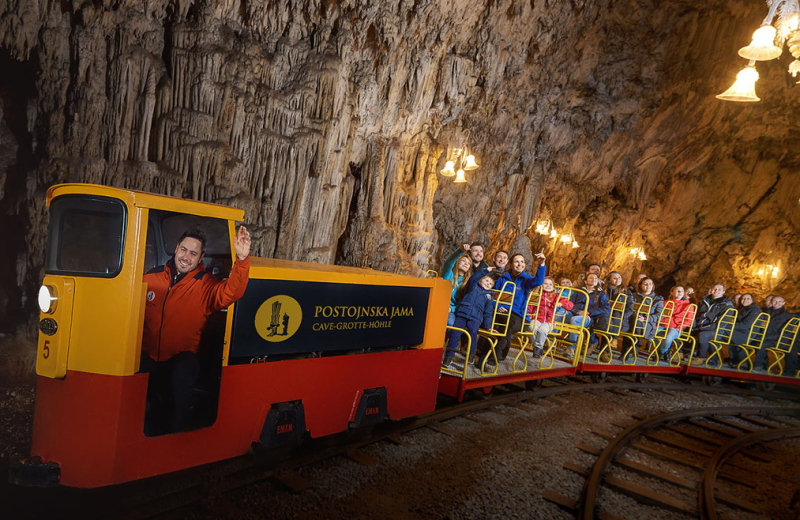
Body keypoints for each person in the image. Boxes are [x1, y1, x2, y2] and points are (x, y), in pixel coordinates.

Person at [141, 226, 251, 433]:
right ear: (176, 249)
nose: (186, 257)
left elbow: (231, 292)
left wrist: (242, 259)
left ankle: (175, 441)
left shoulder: (205, 285)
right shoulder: (151, 278)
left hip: (181, 359)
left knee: (178, 388)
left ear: (201, 257)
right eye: (183, 250)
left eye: (193, 253)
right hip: (147, 356)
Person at [480, 252, 547, 363]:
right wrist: (498, 306)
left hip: (519, 316)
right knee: (493, 326)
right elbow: (494, 296)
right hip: (502, 313)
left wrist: (542, 264)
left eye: (522, 262)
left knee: (507, 327)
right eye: (516, 261)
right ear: (511, 264)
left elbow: (538, 281)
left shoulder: (526, 280)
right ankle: (483, 355)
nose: (519, 264)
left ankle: (494, 358)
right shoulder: (503, 279)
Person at [442, 273, 497, 369]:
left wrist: (488, 327)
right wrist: (484, 271)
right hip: (462, 314)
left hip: (475, 318)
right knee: (455, 333)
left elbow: (488, 313)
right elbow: (473, 279)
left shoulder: (489, 297)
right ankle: (448, 356)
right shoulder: (472, 287)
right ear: (480, 280)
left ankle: (471, 355)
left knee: (473, 333)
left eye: (491, 284)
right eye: (486, 280)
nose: (488, 284)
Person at [525, 277, 573, 358]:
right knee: (531, 327)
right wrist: (529, 315)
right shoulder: (536, 295)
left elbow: (570, 305)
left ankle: (537, 348)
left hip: (549, 321)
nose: (548, 286)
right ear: (541, 285)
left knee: (542, 330)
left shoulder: (555, 296)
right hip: (536, 318)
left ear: (554, 287)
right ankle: (538, 347)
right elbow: (530, 307)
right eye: (545, 284)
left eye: (550, 284)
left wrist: (561, 303)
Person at [690, 283, 734, 366]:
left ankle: (700, 358)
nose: (716, 291)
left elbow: (720, 323)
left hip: (716, 330)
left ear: (723, 292)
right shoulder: (704, 301)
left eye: (719, 289)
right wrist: (694, 325)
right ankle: (682, 353)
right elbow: (697, 315)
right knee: (684, 330)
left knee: (703, 335)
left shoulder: (727, 305)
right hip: (702, 327)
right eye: (715, 288)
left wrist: (702, 328)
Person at [658, 286, 695, 362]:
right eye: (677, 290)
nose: (679, 292)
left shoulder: (688, 306)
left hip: (676, 327)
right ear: (672, 292)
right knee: (650, 332)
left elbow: (689, 320)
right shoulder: (664, 303)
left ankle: (661, 352)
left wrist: (680, 326)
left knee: (668, 337)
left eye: (681, 291)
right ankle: (664, 351)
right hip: (663, 324)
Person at [624, 277, 664, 348]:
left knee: (633, 325)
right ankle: (635, 344)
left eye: (650, 284)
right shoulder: (634, 296)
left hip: (647, 324)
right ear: (640, 285)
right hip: (631, 320)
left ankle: (629, 349)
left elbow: (660, 315)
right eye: (645, 284)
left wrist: (646, 318)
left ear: (653, 286)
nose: (648, 286)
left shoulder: (657, 299)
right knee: (630, 322)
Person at [727, 293, 761, 368]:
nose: (745, 300)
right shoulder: (743, 309)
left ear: (752, 300)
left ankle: (741, 360)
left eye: (748, 298)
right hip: (741, 331)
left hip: (748, 333)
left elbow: (746, 324)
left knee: (725, 331)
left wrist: (731, 326)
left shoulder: (754, 310)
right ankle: (736, 358)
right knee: (725, 333)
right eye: (743, 298)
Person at [441, 252, 473, 326]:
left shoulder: (466, 283)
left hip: (450, 310)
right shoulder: (448, 274)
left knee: (450, 323)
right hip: (438, 304)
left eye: (468, 263)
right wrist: (460, 250)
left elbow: (462, 302)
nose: (466, 264)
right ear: (457, 262)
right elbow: (449, 262)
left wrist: (451, 309)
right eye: (463, 261)